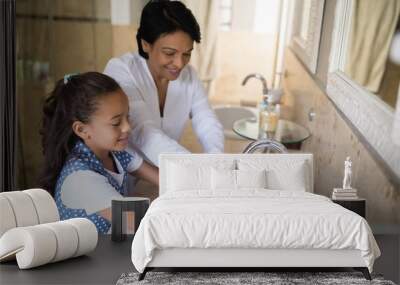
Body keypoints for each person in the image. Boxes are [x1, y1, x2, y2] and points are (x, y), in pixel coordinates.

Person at [104, 0, 224, 166]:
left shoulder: (189, 76)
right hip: (127, 177)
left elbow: (206, 119)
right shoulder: (122, 70)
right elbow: (144, 132)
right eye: (169, 53)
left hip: (165, 172)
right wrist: (193, 166)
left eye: (187, 54)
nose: (179, 64)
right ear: (146, 44)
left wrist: (216, 157)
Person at [39, 72, 158, 234]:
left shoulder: (113, 152)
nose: (128, 127)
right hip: (93, 258)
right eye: (116, 123)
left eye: (127, 116)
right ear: (82, 130)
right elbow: (135, 223)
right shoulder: (80, 178)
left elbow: (163, 178)